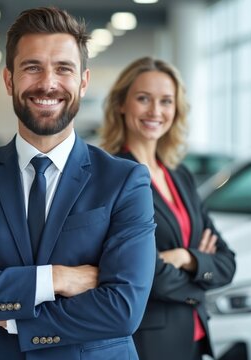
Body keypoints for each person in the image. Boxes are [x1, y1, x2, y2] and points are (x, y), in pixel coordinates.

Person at [0, 7, 156, 360]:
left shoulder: (125, 181)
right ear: (9, 80)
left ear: (83, 81)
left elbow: (123, 308)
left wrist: (10, 318)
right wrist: (57, 278)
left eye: (63, 68)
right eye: (32, 67)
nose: (48, 83)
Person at [100, 56, 236, 360]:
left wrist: (186, 257)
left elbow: (227, 261)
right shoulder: (111, 176)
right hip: (149, 341)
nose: (155, 111)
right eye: (143, 99)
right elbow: (138, 271)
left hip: (194, 335)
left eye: (166, 101)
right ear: (122, 104)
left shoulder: (180, 175)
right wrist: (199, 281)